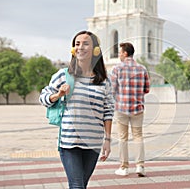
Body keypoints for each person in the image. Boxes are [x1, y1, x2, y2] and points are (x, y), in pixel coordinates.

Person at [39, 30, 114, 188]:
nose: (80, 47)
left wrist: (107, 140)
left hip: (93, 142)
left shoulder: (104, 81)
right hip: (69, 142)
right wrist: (58, 95)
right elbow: (43, 97)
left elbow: (108, 111)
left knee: (82, 185)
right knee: (77, 185)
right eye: (77, 44)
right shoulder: (63, 75)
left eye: (85, 43)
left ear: (95, 50)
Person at [110, 42, 150, 177]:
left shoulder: (117, 69)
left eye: (120, 52)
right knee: (138, 136)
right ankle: (140, 166)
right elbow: (147, 89)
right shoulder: (142, 69)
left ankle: (124, 167)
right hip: (138, 108)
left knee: (123, 137)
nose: (119, 55)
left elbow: (112, 89)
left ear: (125, 53)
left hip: (121, 108)